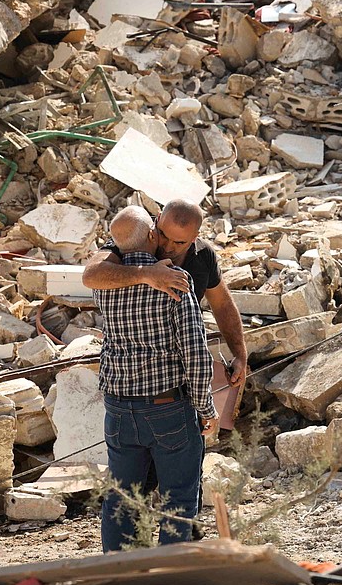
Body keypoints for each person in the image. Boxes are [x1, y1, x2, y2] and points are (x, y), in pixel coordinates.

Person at [93, 207, 218, 552]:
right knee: (179, 496)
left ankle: (117, 574)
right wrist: (205, 407)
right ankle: (171, 578)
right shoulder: (175, 278)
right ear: (152, 235)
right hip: (167, 407)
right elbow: (195, 351)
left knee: (121, 497)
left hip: (118, 408)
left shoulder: (105, 283)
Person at [82, 199, 248, 386]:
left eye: (179, 242)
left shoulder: (203, 255)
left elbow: (222, 305)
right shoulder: (137, 236)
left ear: (195, 236)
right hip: (130, 377)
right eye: (163, 234)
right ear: (157, 220)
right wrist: (144, 274)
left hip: (184, 374)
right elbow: (91, 275)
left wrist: (239, 355)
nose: (168, 247)